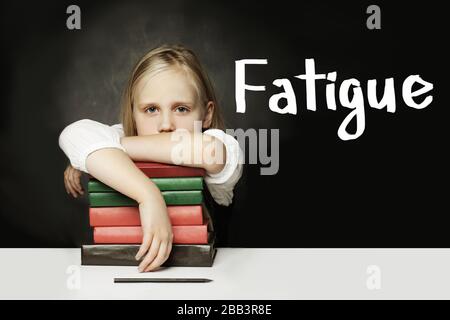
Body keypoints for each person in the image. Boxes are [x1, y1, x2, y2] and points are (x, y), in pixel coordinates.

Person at [59, 44, 243, 272]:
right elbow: (74, 132)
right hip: (125, 273)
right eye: (151, 109)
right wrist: (149, 196)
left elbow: (208, 151)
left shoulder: (221, 145)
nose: (166, 125)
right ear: (133, 113)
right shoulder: (119, 137)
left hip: (210, 277)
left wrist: (97, 152)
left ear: (206, 115)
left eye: (181, 109)